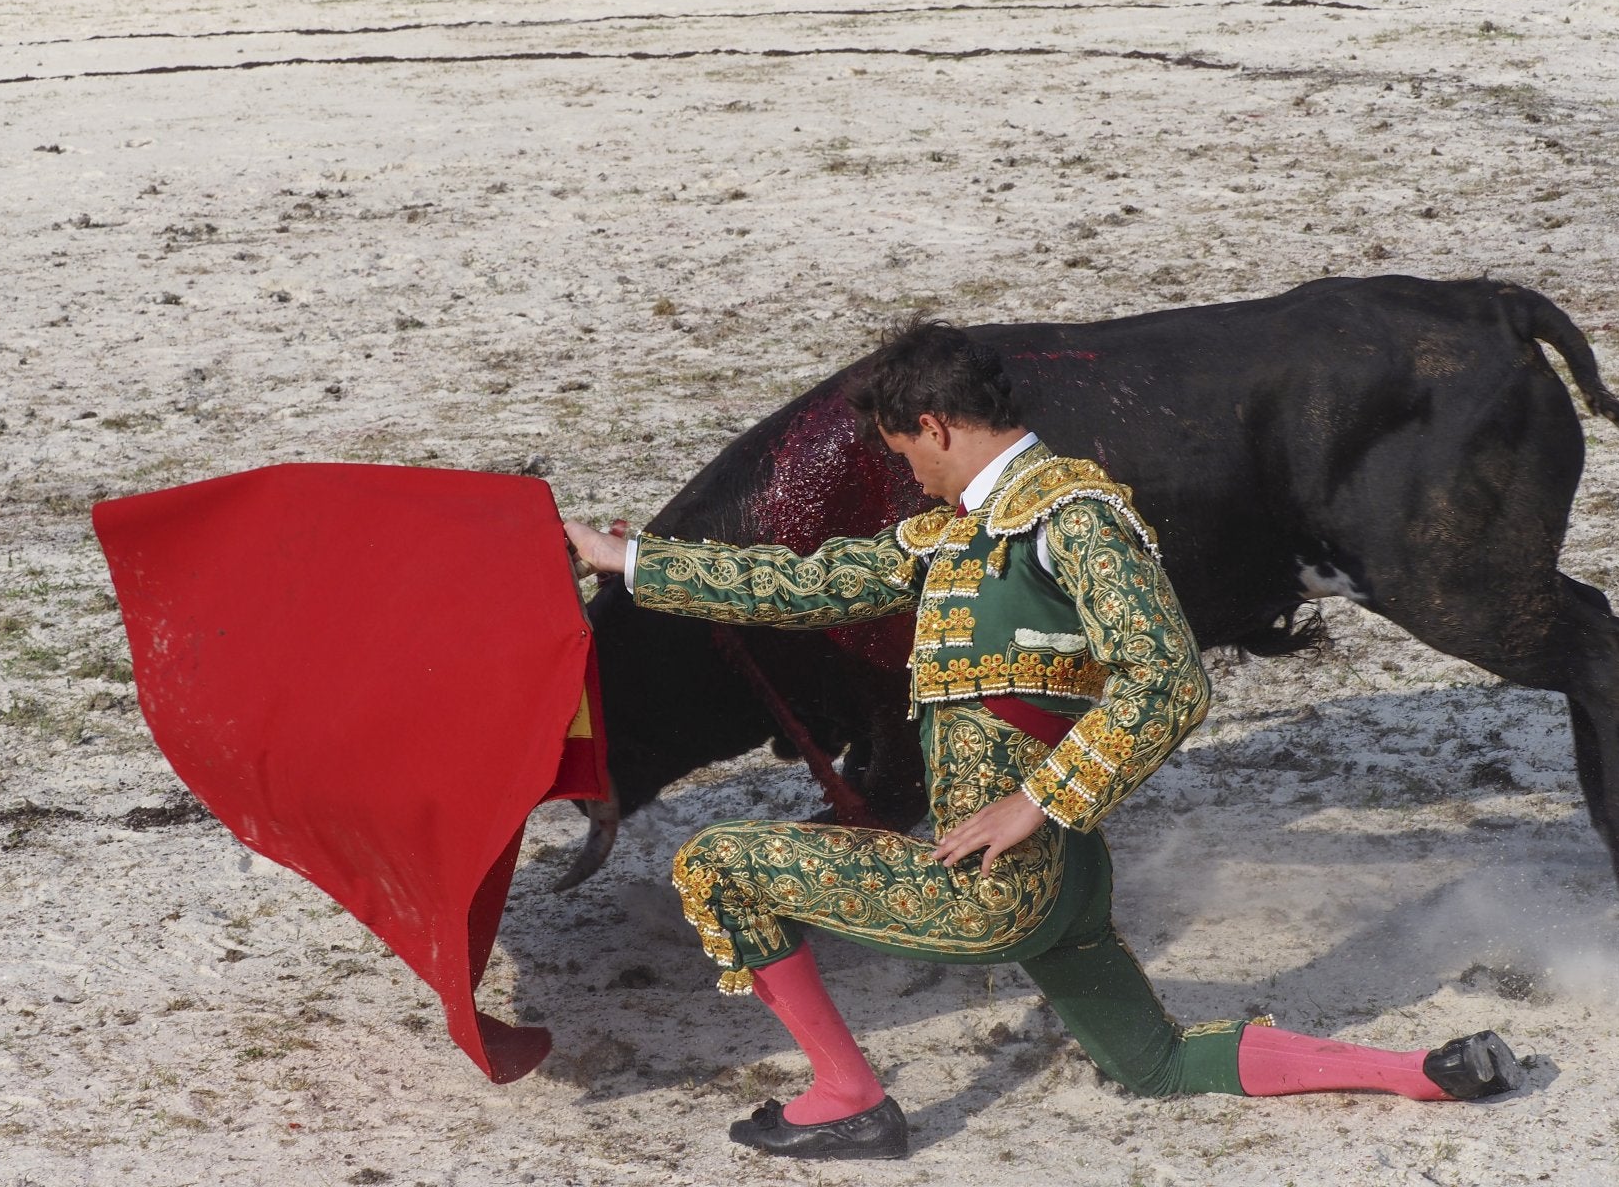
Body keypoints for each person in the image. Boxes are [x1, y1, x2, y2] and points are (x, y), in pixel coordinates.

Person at [564, 319, 1523, 1161]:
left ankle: (848, 1101)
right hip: (1064, 882)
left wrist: (1037, 800)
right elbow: (811, 586)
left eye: (906, 454)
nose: (909, 474)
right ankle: (1417, 1072)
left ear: (935, 427)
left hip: (1004, 884)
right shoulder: (963, 534)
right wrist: (633, 559)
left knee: (718, 865)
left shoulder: (1075, 519)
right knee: (1154, 1063)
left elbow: (1169, 677)